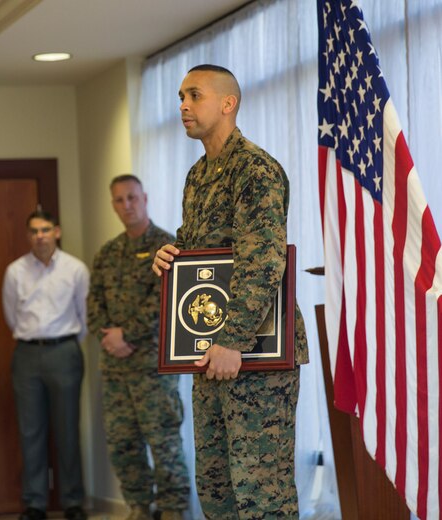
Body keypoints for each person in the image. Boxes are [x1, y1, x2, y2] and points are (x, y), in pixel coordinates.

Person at [152, 64, 309, 519]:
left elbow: (263, 261)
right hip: (210, 352)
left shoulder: (255, 169)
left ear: (227, 103)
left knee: (260, 491)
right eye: (181, 96)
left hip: (255, 352)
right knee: (217, 487)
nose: (183, 105)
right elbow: (201, 249)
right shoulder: (199, 175)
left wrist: (232, 340)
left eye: (194, 95)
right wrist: (172, 255)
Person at [87, 175, 189, 520]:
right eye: (119, 200)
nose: (126, 205)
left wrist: (127, 335)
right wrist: (109, 338)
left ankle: (174, 509)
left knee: (164, 443)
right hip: (115, 369)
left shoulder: (167, 246)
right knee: (123, 444)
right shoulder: (107, 253)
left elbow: (166, 302)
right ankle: (138, 506)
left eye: (132, 197)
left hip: (153, 367)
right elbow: (93, 304)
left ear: (145, 197)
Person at [2, 210, 89, 520]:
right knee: (30, 431)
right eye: (34, 231)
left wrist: (62, 344)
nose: (40, 235)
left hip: (64, 351)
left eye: (46, 229)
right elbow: (11, 314)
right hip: (26, 354)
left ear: (57, 232)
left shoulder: (75, 269)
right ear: (28, 236)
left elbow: (84, 315)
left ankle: (73, 502)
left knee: (67, 429)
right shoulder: (15, 271)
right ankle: (35, 503)